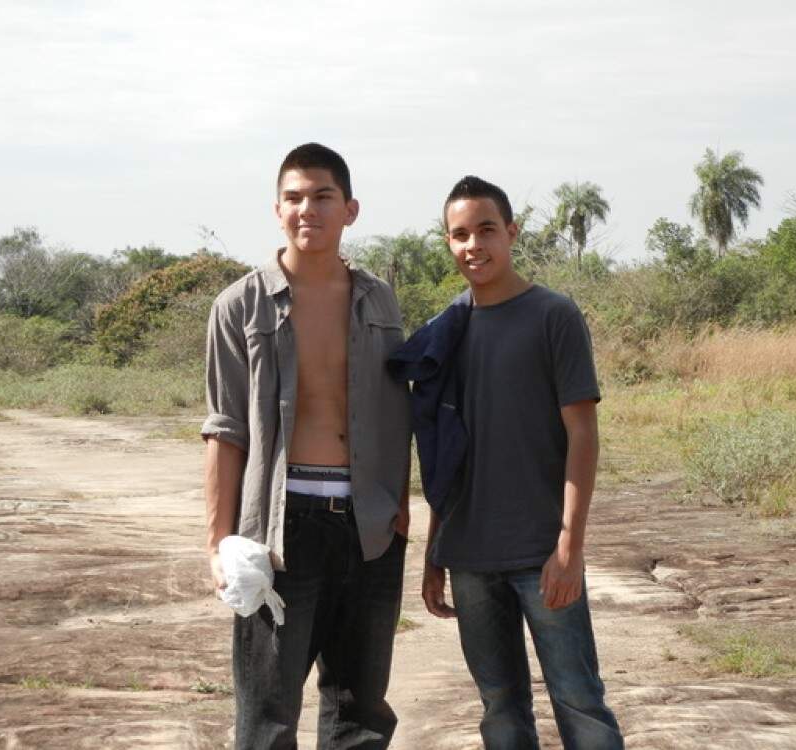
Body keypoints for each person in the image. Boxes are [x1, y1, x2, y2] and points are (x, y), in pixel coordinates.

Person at [201, 143, 411, 749]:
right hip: (279, 531)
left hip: (369, 527)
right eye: (293, 197)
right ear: (277, 210)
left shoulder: (380, 301)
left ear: (350, 209)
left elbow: (397, 411)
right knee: (267, 717)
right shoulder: (238, 306)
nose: (307, 209)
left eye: (322, 196)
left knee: (360, 713)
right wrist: (217, 543)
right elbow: (225, 429)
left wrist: (398, 504)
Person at [415, 176, 624, 749]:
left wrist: (568, 548)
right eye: (460, 235)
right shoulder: (447, 330)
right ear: (448, 242)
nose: (473, 246)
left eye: (486, 230)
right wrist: (436, 554)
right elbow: (444, 455)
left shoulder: (553, 315)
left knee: (579, 701)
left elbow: (583, 435)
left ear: (511, 232)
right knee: (500, 710)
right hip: (471, 559)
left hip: (541, 554)